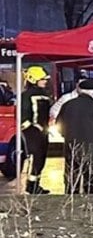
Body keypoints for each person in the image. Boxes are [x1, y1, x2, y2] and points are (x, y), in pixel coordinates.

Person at [57, 79, 93, 195]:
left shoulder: (67, 105)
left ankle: (71, 200)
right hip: (91, 149)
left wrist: (66, 135)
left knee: (72, 177)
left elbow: (59, 125)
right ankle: (88, 202)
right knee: (90, 179)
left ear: (79, 90)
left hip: (71, 147)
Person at [20, 66, 53, 194]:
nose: (45, 81)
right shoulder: (26, 96)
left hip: (43, 131)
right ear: (33, 79)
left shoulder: (44, 94)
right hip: (32, 132)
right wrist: (33, 127)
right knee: (35, 157)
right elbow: (23, 116)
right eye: (42, 79)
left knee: (41, 158)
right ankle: (31, 186)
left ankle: (34, 184)